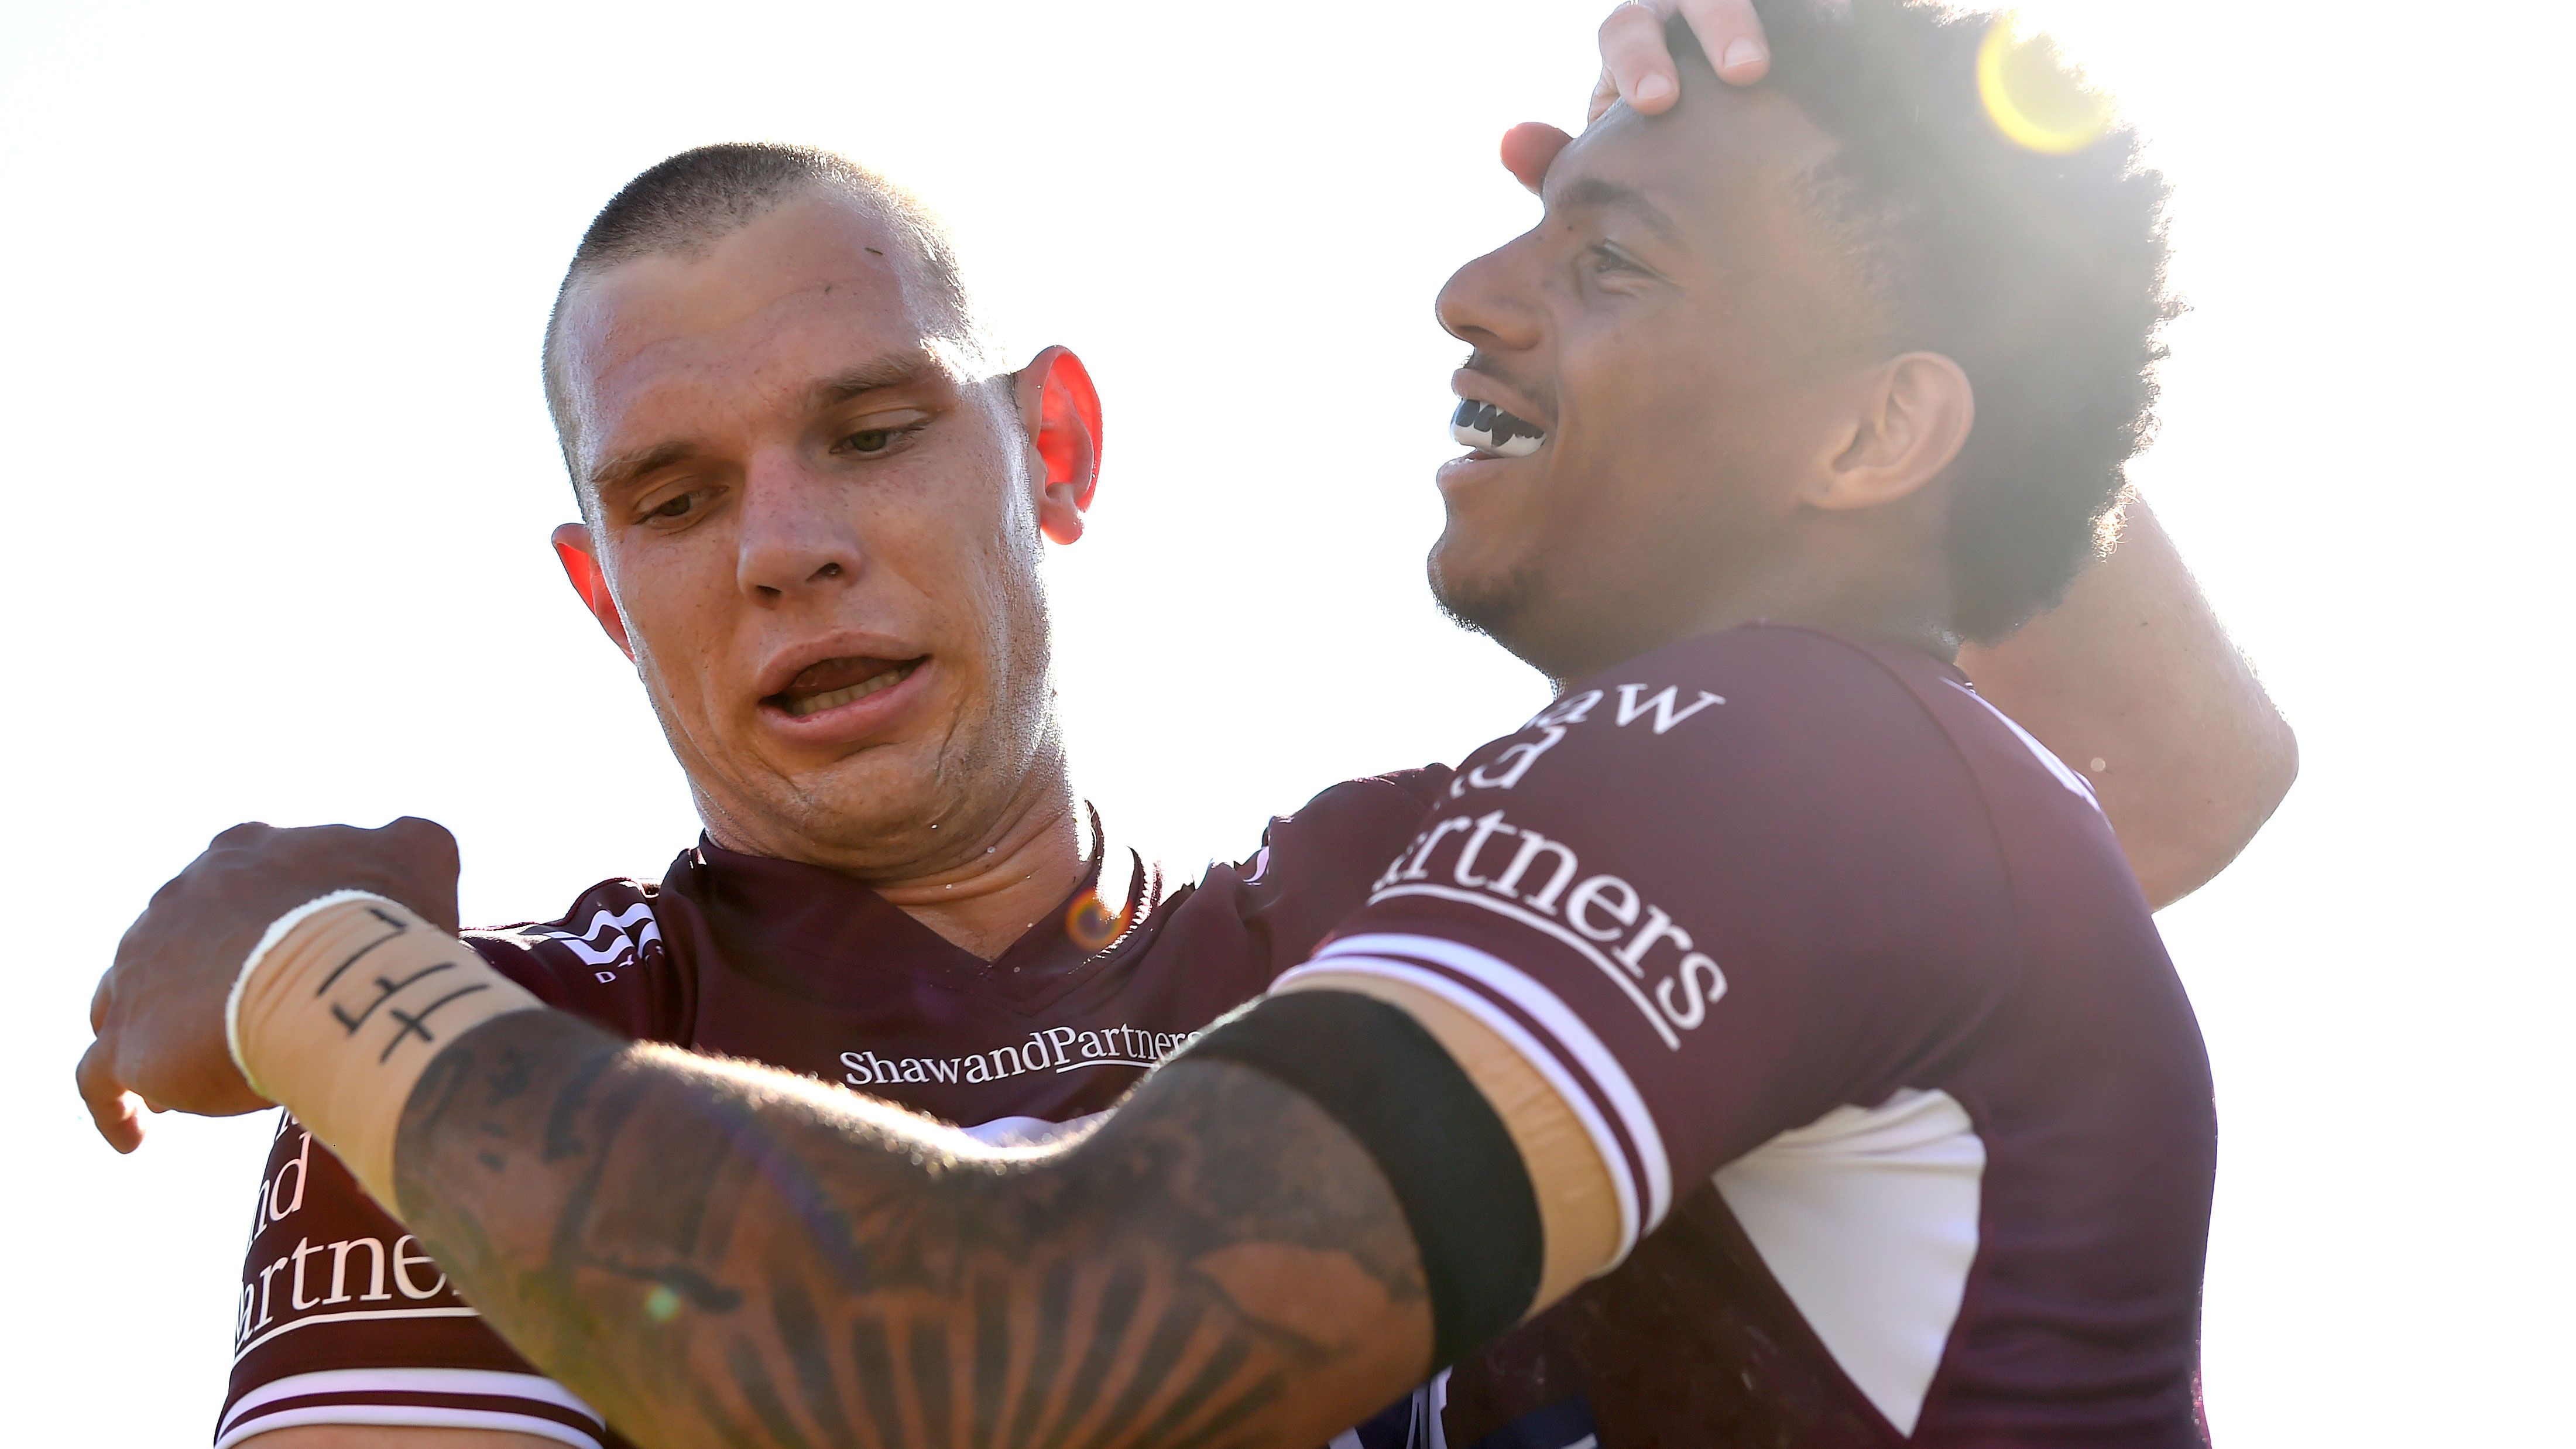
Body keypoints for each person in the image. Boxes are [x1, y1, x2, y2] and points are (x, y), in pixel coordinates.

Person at [84, 4, 2277, 1445]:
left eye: (867, 432)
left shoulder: (1402, 892)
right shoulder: (494, 1046)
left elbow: (2155, 773)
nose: (783, 547)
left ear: (1058, 449)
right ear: (601, 587)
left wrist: (1870, 237)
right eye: (672, 496)